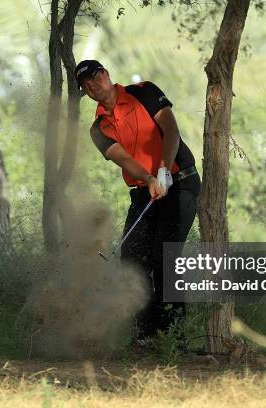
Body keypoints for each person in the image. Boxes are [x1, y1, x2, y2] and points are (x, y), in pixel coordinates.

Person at [76, 59, 201, 342]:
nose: (92, 85)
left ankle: (174, 334)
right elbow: (124, 159)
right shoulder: (98, 129)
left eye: (95, 77)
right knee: (132, 258)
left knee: (165, 255)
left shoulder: (143, 91)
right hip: (146, 189)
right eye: (86, 85)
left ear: (106, 74)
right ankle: (144, 334)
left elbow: (171, 131)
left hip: (180, 182)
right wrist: (149, 179)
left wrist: (164, 171)